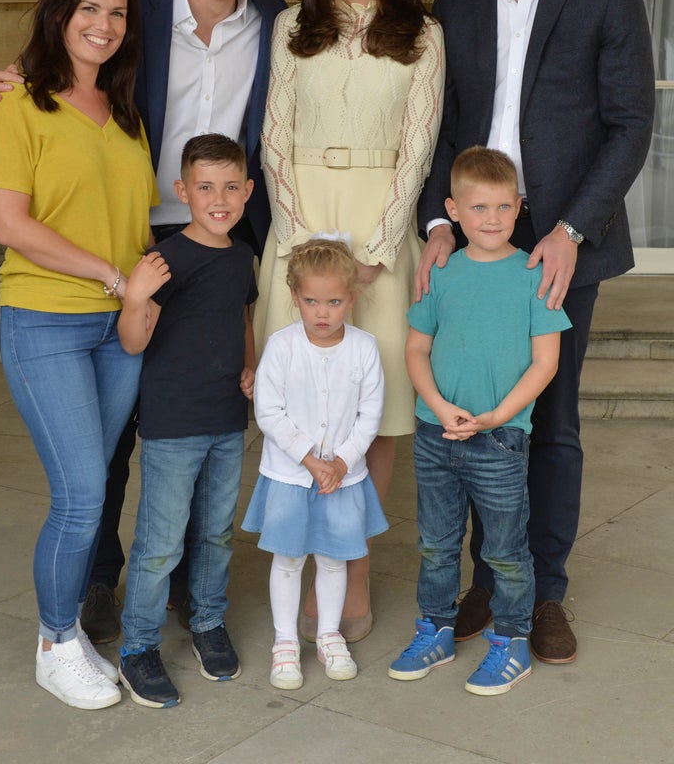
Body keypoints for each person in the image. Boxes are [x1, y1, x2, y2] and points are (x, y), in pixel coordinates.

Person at [0, 0, 288, 643]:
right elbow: (74, 53)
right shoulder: (137, 7)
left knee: (192, 410)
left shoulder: (277, 18)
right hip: (129, 238)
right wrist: (16, 80)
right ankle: (97, 583)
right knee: (110, 440)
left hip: (219, 238)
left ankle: (184, 574)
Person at [415, 0, 655, 663]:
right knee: (474, 408)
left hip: (562, 247)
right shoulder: (452, 4)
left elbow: (631, 123)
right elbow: (440, 128)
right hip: (473, 238)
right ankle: (491, 580)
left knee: (547, 417)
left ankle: (543, 591)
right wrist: (436, 224)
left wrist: (572, 228)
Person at [254, 0, 444, 641]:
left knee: (381, 406)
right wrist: (305, 248)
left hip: (378, 232)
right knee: (297, 396)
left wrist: (372, 252)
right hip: (301, 225)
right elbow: (270, 138)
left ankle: (354, 567)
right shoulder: (293, 26)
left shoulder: (424, 35)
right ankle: (299, 551)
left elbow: (419, 148)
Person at [0, 0, 159, 709]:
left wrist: (133, 298)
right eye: (88, 9)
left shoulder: (125, 115)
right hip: (46, 319)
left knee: (100, 483)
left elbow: (132, 222)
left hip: (115, 330)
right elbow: (8, 222)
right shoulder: (19, 105)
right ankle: (56, 641)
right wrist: (112, 278)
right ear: (59, 15)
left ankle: (68, 631)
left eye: (116, 13)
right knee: (82, 493)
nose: (103, 25)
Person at [389, 147, 570, 695]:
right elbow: (417, 349)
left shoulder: (533, 276)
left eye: (502, 207)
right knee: (437, 543)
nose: (491, 219)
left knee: (505, 550)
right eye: (478, 207)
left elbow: (546, 361)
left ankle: (513, 640)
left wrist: (499, 415)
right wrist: (438, 406)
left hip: (501, 437)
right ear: (453, 210)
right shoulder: (440, 272)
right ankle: (436, 628)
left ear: (519, 208)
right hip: (434, 431)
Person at [116, 134, 257, 708]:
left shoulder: (242, 253)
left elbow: (243, 319)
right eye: (205, 187)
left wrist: (250, 365)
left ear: (248, 191)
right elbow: (132, 342)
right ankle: (139, 646)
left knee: (216, 532)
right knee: (159, 543)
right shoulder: (164, 259)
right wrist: (133, 296)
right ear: (182, 191)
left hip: (227, 418)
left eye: (230, 187)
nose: (218, 199)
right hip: (174, 423)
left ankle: (206, 622)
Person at [243, 238, 387, 690]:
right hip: (290, 475)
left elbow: (370, 415)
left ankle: (328, 634)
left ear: (351, 299)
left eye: (333, 301)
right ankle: (284, 642)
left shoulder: (364, 348)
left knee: (332, 558)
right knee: (288, 558)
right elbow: (268, 411)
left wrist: (341, 463)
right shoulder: (281, 346)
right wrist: (310, 459)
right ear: (294, 297)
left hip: (342, 480)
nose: (322, 312)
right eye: (310, 301)